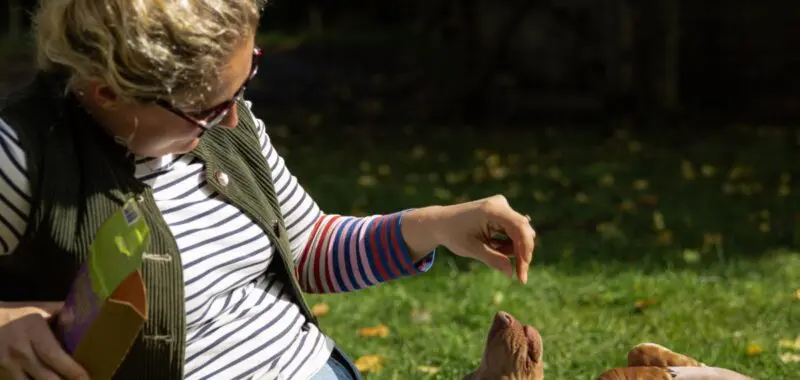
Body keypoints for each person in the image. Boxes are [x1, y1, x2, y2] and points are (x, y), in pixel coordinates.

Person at [0, 1, 536, 379]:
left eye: (246, 79)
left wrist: (438, 225)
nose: (234, 117)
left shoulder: (230, 129)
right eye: (209, 105)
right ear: (110, 92)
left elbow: (307, 251)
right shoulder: (22, 156)